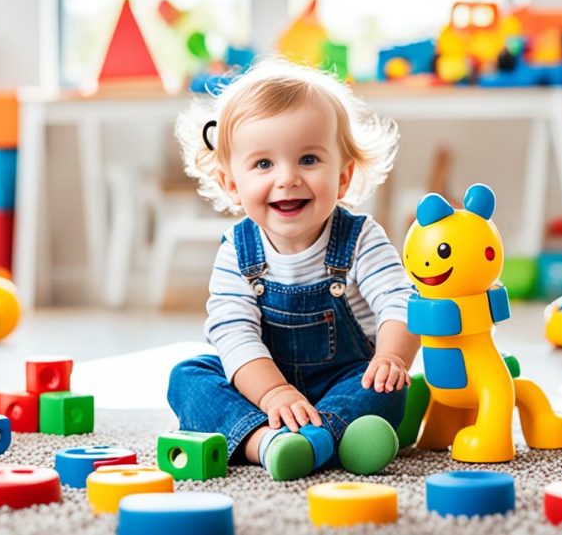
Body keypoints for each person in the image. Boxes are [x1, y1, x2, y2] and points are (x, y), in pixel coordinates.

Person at [167, 59, 420, 481]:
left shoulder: (360, 238)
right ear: (232, 184)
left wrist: (392, 357)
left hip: (342, 380)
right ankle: (265, 442)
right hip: (262, 389)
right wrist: (273, 393)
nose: (287, 179)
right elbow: (234, 332)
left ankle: (322, 434)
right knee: (189, 376)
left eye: (307, 159)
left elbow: (400, 300)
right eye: (263, 164)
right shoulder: (237, 249)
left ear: (342, 177)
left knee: (385, 388)